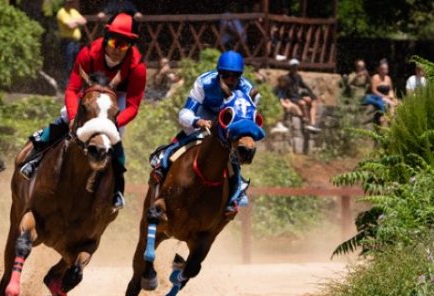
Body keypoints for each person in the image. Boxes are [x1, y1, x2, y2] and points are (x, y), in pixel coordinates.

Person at [20, 13, 146, 210]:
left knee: (115, 136)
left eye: (124, 45)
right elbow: (72, 90)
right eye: (114, 42)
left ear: (131, 46)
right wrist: (72, 117)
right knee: (64, 115)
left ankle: (117, 188)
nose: (117, 50)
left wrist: (111, 123)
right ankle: (36, 155)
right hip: (90, 92)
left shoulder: (137, 67)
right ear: (106, 38)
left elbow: (132, 107)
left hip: (116, 97)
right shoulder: (89, 53)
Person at [155, 51, 258, 215]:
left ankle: (235, 195)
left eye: (236, 75)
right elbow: (184, 114)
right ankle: (161, 169)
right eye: (226, 75)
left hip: (229, 131)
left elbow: (249, 123)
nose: (231, 80)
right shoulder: (204, 82)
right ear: (219, 72)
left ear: (241, 75)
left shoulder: (248, 90)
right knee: (172, 151)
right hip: (203, 122)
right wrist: (198, 122)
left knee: (233, 161)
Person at [56, 0, 86, 87]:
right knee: (67, 64)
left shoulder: (73, 11)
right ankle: (65, 85)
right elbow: (70, 25)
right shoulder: (61, 12)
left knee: (76, 64)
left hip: (75, 42)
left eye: (72, 2)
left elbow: (83, 21)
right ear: (65, 2)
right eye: (69, 2)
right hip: (67, 42)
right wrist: (77, 21)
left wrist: (74, 21)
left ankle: (74, 84)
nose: (71, 4)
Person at [286, 58, 320, 133]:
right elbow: (289, 93)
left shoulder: (298, 77)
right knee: (303, 103)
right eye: (293, 67)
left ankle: (312, 123)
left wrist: (312, 95)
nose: (295, 68)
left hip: (298, 96)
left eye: (296, 67)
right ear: (290, 68)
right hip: (292, 98)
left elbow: (304, 85)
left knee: (312, 102)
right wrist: (298, 99)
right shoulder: (287, 78)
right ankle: (306, 122)